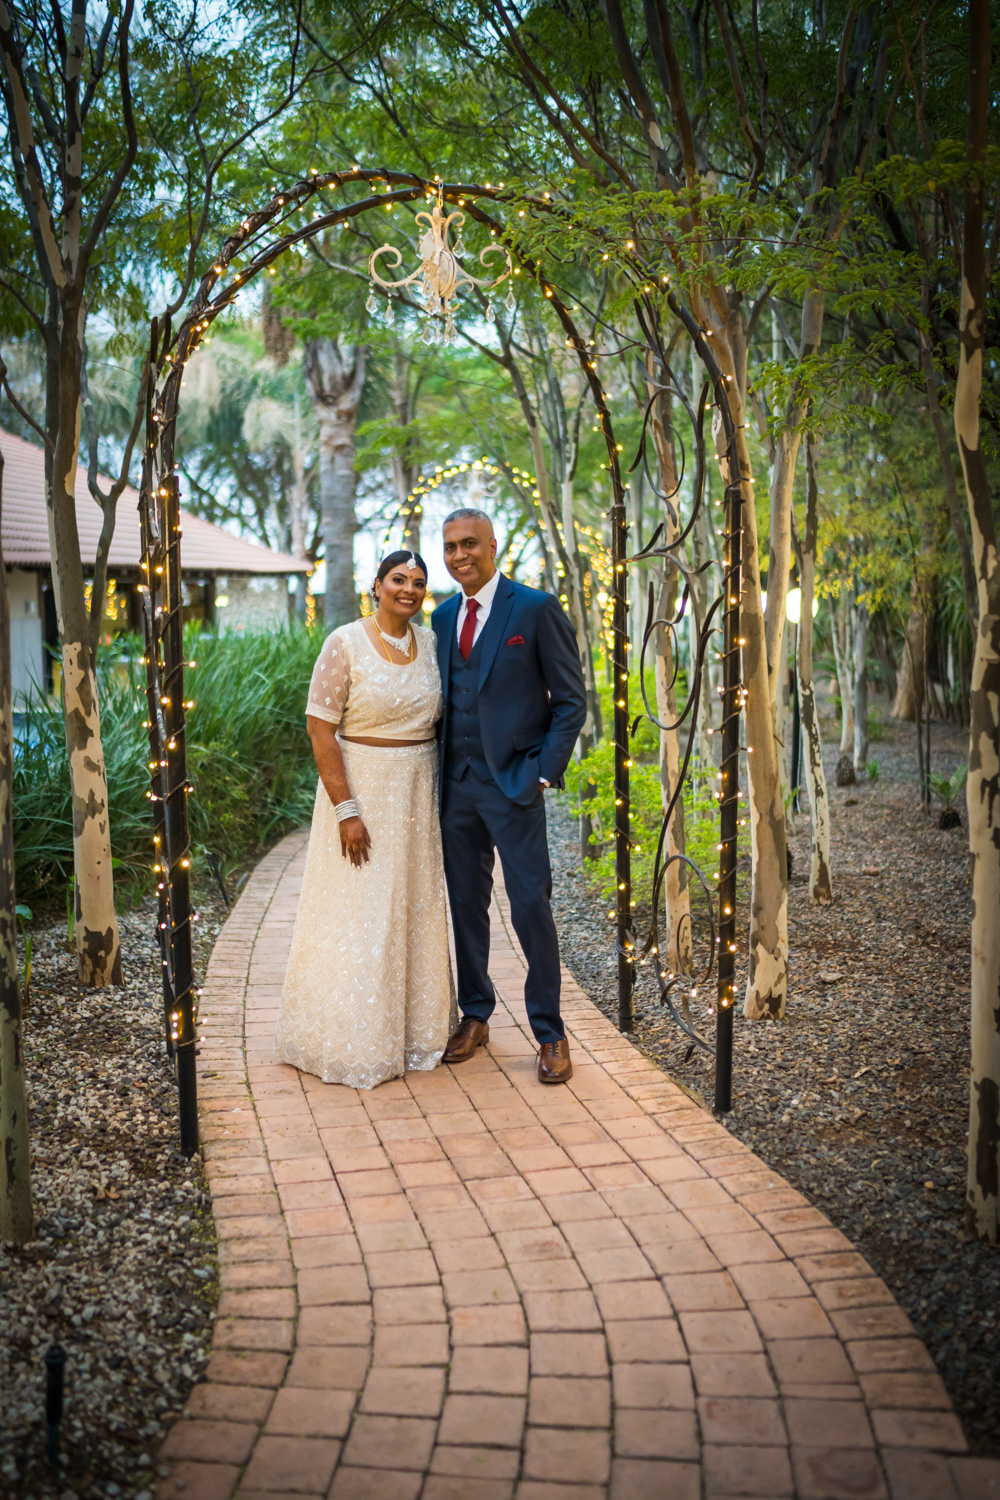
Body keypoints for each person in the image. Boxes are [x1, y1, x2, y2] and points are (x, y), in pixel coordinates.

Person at [273, 551, 455, 1089]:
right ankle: (354, 1039)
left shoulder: (432, 643)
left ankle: (416, 1032)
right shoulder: (345, 642)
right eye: (398, 579)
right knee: (361, 913)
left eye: (418, 582)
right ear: (377, 585)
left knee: (412, 908)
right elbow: (319, 729)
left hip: (417, 793)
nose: (409, 589)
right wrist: (346, 811)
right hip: (363, 792)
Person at [432, 508, 587, 1083]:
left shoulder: (535, 608)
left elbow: (571, 701)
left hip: (516, 784)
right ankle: (475, 1014)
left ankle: (550, 1032)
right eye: (450, 547)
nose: (460, 555)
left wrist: (544, 772)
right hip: (456, 787)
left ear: (493, 545)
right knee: (465, 905)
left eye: (469, 543)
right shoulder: (441, 617)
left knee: (530, 905)